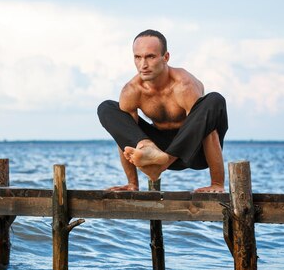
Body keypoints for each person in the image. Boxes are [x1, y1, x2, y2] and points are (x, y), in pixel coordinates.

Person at [97, 29, 228, 192]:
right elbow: (124, 135)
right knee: (107, 108)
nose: (143, 65)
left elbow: (206, 129)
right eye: (138, 57)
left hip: (194, 154)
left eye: (150, 56)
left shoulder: (184, 85)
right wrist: (132, 183)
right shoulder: (132, 91)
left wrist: (217, 183)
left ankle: (166, 163)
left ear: (165, 57)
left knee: (214, 100)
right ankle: (150, 154)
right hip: (155, 153)